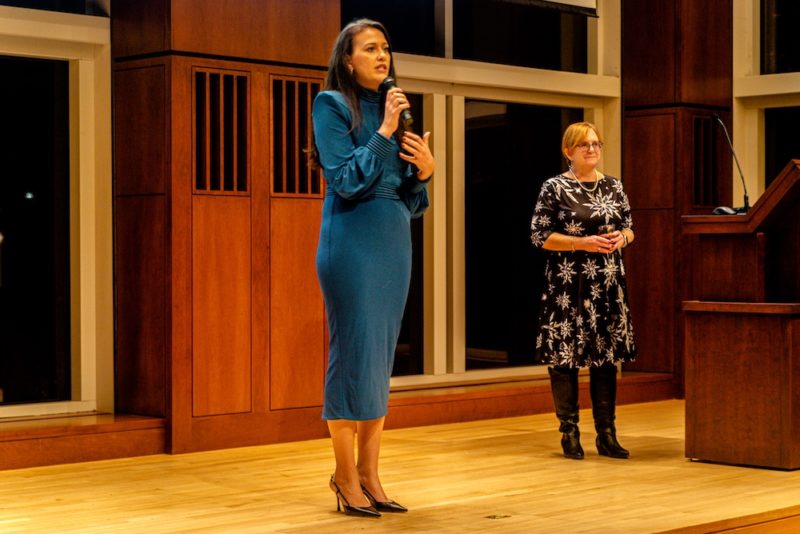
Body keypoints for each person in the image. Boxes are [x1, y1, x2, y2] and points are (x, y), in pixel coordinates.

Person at [310, 19, 434, 517]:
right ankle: (344, 476)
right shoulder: (332, 106)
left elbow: (413, 200)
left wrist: (424, 172)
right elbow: (346, 179)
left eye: (385, 47)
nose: (382, 55)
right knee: (353, 355)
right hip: (351, 241)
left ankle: (371, 474)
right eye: (370, 48)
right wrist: (384, 129)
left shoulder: (393, 112)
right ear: (347, 59)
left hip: (393, 241)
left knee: (380, 360)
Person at [530, 122, 636, 460]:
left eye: (596, 144)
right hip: (568, 284)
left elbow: (630, 227)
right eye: (583, 145)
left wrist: (623, 238)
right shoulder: (555, 187)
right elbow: (539, 236)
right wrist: (581, 243)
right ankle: (569, 432)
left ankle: (607, 434)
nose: (591, 149)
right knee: (566, 359)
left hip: (607, 283)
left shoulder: (613, 186)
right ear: (568, 151)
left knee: (605, 358)